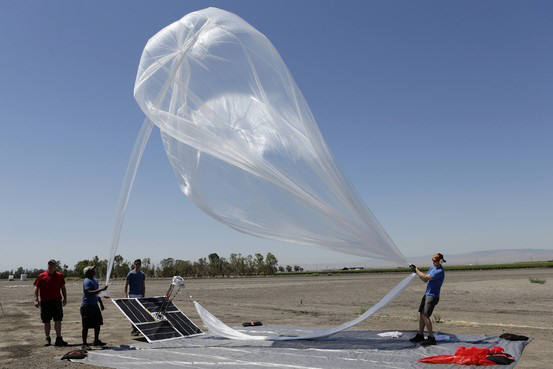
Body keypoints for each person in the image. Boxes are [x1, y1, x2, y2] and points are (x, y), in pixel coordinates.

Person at [409, 253, 446, 346]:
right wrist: (417, 271)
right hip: (427, 294)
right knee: (421, 313)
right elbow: (425, 276)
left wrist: (416, 270)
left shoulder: (439, 271)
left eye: (436, 261)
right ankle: (420, 335)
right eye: (433, 260)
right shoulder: (433, 268)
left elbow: (425, 278)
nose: (434, 262)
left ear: (440, 261)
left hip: (432, 296)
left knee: (425, 315)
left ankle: (431, 338)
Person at [34, 259, 68, 346]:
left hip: (56, 301)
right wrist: (36, 299)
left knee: (58, 320)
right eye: (49, 265)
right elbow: (36, 288)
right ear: (48, 266)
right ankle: (47, 338)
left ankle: (59, 338)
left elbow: (63, 288)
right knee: (46, 321)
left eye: (52, 265)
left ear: (55, 266)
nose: (51, 267)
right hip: (45, 302)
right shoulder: (41, 276)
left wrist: (65, 298)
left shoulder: (60, 276)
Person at [80, 265, 108, 349]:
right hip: (87, 306)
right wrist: (101, 289)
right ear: (87, 273)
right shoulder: (87, 281)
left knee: (97, 324)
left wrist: (101, 303)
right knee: (86, 326)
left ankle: (96, 340)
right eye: (92, 270)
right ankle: (84, 344)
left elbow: (97, 294)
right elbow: (89, 292)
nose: (94, 271)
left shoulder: (95, 280)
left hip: (94, 305)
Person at [125, 259, 146, 335]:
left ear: (140, 265)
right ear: (134, 264)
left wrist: (143, 295)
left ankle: (139, 329)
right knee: (132, 313)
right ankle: (133, 329)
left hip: (140, 295)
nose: (137, 265)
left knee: (139, 312)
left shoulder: (142, 274)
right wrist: (126, 296)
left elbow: (143, 286)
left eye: (139, 264)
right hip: (132, 295)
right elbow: (126, 285)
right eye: (136, 264)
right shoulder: (130, 274)